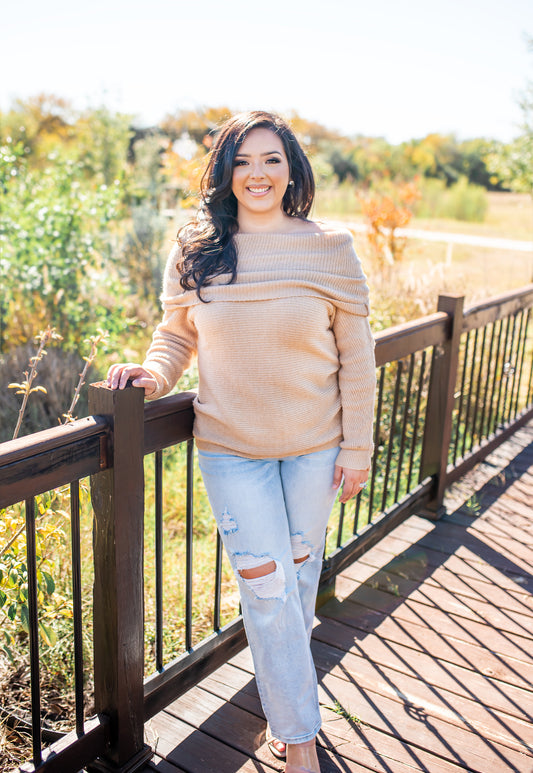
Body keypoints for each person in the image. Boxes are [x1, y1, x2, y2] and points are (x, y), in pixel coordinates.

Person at [107, 110, 376, 773]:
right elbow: (176, 334)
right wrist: (154, 372)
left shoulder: (329, 247)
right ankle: (301, 741)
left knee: (294, 583)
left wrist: (358, 447)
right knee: (265, 589)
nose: (257, 173)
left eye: (271, 160)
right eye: (243, 161)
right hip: (231, 451)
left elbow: (357, 359)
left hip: (315, 448)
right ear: (225, 172)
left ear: (291, 171)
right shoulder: (196, 248)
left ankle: (286, 720)